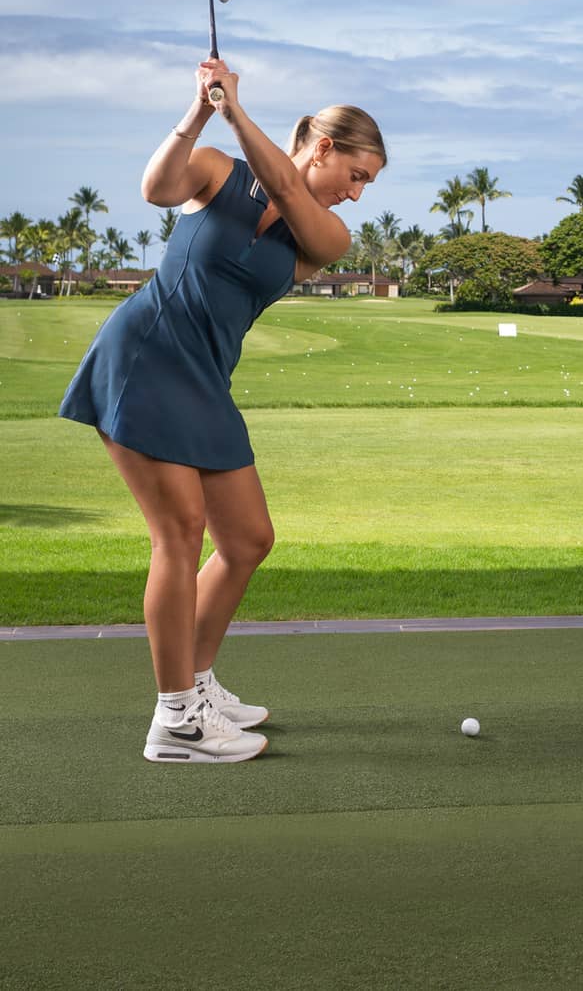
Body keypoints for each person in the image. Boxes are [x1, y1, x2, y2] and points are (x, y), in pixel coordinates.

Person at [59, 59, 386, 761]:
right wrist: (202, 112)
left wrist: (236, 109)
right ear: (324, 147)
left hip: (205, 377)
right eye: (356, 175)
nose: (357, 194)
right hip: (147, 356)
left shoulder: (324, 235)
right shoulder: (214, 170)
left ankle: (197, 682)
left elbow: (286, 188)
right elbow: (155, 189)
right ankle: (177, 719)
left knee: (247, 539)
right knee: (179, 533)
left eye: (367, 185)